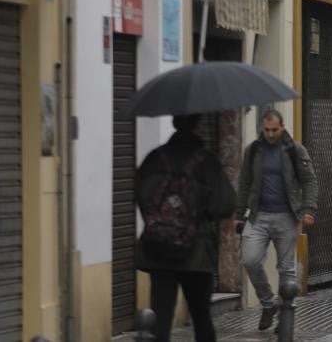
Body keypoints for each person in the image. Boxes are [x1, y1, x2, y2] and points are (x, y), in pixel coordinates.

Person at [135, 114, 236, 342]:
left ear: (173, 123)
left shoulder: (154, 158)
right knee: (201, 318)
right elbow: (226, 203)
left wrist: (162, 222)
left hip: (158, 251)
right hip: (197, 255)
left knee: (159, 321)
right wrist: (199, 215)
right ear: (198, 124)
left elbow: (142, 195)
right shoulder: (206, 161)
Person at [235, 108, 319, 331]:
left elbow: (310, 180)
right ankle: (268, 304)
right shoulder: (253, 151)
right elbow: (244, 182)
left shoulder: (295, 150)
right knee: (250, 260)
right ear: (262, 128)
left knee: (285, 268)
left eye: (274, 130)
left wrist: (309, 209)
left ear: (282, 127)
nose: (270, 134)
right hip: (258, 215)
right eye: (266, 130)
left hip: (286, 216)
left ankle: (285, 315)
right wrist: (238, 213)